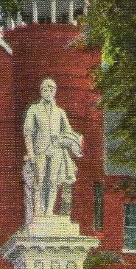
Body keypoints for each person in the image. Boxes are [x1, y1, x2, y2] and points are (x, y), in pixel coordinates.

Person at [23, 78, 82, 219]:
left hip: (56, 149)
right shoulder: (34, 109)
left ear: (54, 92)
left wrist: (61, 139)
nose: (47, 92)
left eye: (51, 90)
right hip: (40, 149)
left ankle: (49, 210)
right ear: (41, 91)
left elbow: (68, 132)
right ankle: (38, 210)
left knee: (53, 180)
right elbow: (28, 131)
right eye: (44, 89)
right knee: (39, 179)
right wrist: (30, 152)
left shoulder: (60, 112)